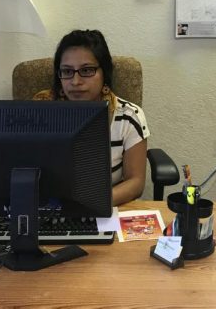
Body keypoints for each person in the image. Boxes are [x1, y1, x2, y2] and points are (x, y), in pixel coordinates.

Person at [33, 29, 149, 206]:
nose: (76, 81)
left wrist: (94, 203)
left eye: (87, 70)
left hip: (105, 207)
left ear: (105, 73)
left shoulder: (128, 117)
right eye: (67, 71)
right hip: (48, 208)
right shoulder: (38, 113)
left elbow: (136, 182)